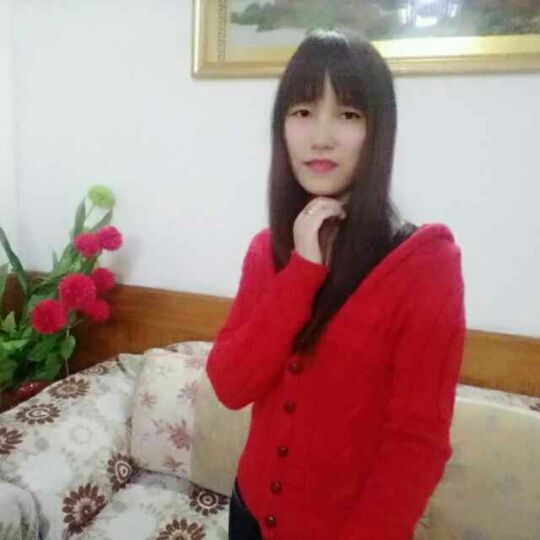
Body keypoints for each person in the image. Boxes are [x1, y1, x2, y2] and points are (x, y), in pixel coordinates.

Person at [206, 28, 466, 540]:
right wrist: (301, 273)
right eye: (303, 111)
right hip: (248, 513)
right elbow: (230, 386)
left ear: (378, 130)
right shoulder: (269, 249)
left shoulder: (425, 263)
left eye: (348, 115)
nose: (320, 137)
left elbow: (416, 443)